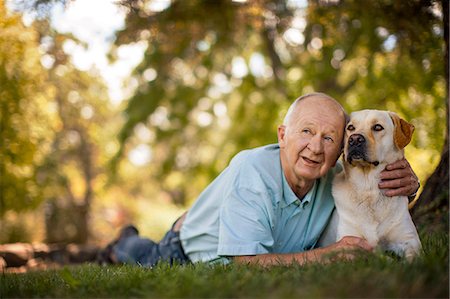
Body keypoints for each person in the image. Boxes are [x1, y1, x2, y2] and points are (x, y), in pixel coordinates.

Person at [98, 92, 420, 267]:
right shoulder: (252, 170)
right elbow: (247, 264)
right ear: (282, 135)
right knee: (138, 254)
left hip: (233, 228)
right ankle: (122, 240)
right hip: (184, 249)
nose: (315, 147)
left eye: (329, 137)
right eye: (306, 131)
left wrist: (409, 185)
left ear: (340, 149)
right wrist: (328, 255)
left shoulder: (337, 178)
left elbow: (374, 198)